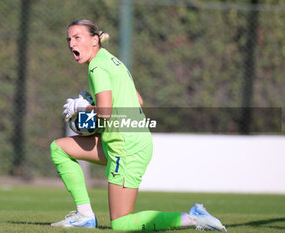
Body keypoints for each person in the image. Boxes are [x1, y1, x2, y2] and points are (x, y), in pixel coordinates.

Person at [49, 18, 227, 232]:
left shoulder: (97, 67)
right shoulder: (111, 60)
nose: (71, 44)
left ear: (95, 40)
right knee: (59, 148)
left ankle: (194, 218)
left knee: (122, 224)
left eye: (77, 38)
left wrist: (82, 107)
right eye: (69, 39)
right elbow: (138, 101)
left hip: (126, 148)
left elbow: (105, 113)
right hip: (125, 141)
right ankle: (84, 216)